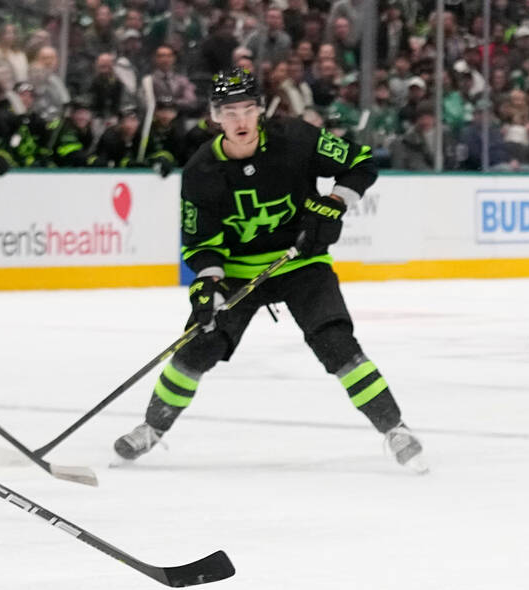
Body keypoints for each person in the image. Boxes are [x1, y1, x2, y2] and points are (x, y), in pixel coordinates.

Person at [114, 68, 426, 474]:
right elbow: (202, 242)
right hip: (238, 271)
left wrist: (334, 200)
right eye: (230, 112)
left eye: (247, 109)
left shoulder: (297, 138)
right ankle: (152, 428)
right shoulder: (200, 171)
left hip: (301, 262)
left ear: (261, 110)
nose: (240, 120)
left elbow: (360, 163)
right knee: (197, 346)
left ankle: (395, 429)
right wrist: (208, 285)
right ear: (215, 117)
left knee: (336, 342)